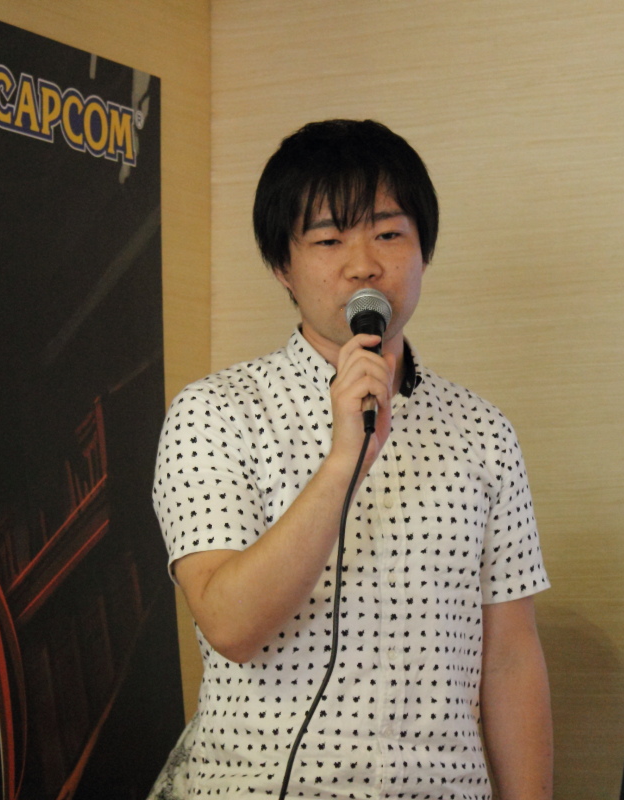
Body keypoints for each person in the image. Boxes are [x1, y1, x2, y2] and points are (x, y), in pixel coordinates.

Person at [152, 119, 553, 799]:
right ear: (282, 266)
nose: (364, 264)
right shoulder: (216, 412)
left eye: (389, 234)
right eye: (329, 240)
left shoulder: (483, 431)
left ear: (423, 250)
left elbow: (511, 657)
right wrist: (344, 459)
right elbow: (230, 625)